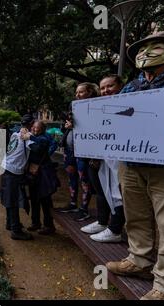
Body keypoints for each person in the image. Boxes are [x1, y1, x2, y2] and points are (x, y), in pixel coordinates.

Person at [106, 31, 164, 300]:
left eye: (154, 46)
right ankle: (139, 259)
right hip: (131, 162)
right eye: (141, 48)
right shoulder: (132, 85)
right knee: (135, 214)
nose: (146, 52)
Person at [81, 75, 126, 243]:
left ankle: (115, 229)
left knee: (117, 193)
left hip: (121, 159)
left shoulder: (129, 105)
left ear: (121, 86)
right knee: (103, 191)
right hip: (101, 160)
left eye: (110, 86)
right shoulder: (100, 108)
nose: (106, 90)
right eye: (103, 88)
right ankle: (102, 222)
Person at [60, 82, 99, 222]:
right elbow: (64, 128)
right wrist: (66, 126)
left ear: (90, 92)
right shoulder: (73, 106)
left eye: (81, 92)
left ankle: (84, 208)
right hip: (69, 149)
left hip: (84, 151)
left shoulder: (96, 107)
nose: (77, 95)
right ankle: (72, 203)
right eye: (76, 92)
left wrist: (77, 127)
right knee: (71, 177)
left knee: (84, 180)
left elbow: (97, 129)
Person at [0, 114, 34, 240]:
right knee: (13, 200)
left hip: (6, 167)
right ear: (31, 124)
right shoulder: (28, 138)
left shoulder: (15, 134)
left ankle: (10, 223)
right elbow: (39, 146)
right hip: (14, 171)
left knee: (9, 198)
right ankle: (16, 230)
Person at [26, 121, 59, 235]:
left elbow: (39, 148)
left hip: (43, 172)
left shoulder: (44, 138)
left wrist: (29, 140)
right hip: (33, 172)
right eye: (34, 127)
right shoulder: (32, 136)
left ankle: (49, 225)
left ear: (43, 129)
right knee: (34, 198)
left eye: (38, 128)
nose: (35, 130)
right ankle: (35, 223)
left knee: (45, 198)